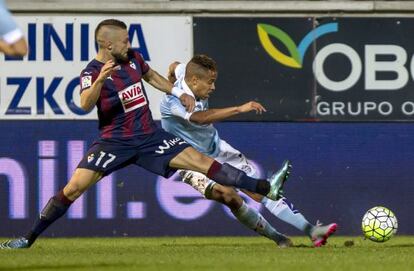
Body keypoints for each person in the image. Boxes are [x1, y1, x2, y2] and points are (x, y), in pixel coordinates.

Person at [0, 19, 291, 249]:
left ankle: (265, 188)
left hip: (151, 137)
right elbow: (85, 103)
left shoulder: (133, 59)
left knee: (204, 163)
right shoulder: (90, 72)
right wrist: (101, 80)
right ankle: (28, 238)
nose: (129, 43)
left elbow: (151, 77)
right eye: (124, 40)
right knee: (73, 189)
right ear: (107, 44)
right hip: (114, 142)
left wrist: (179, 92)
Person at [161, 55, 337, 247]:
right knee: (228, 196)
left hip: (216, 148)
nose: (214, 88)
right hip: (189, 159)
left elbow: (173, 66)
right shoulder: (173, 101)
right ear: (194, 80)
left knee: (260, 190)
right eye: (210, 83)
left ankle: (311, 230)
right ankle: (278, 238)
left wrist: (170, 77)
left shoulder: (185, 71)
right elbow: (200, 118)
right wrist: (239, 108)